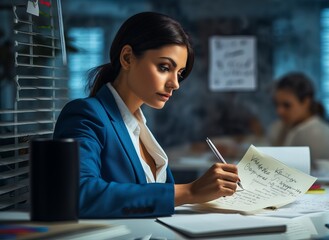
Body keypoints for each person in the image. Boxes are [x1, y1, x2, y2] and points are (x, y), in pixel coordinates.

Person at [53, 12, 240, 218]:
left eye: (179, 73)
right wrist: (190, 191)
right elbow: (77, 194)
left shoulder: (138, 126)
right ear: (127, 58)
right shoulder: (86, 114)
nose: (175, 84)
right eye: (164, 67)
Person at [267, 72, 329, 171]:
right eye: (276, 105)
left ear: (306, 102)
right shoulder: (279, 127)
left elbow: (324, 175)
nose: (279, 111)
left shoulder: (319, 135)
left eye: (287, 105)